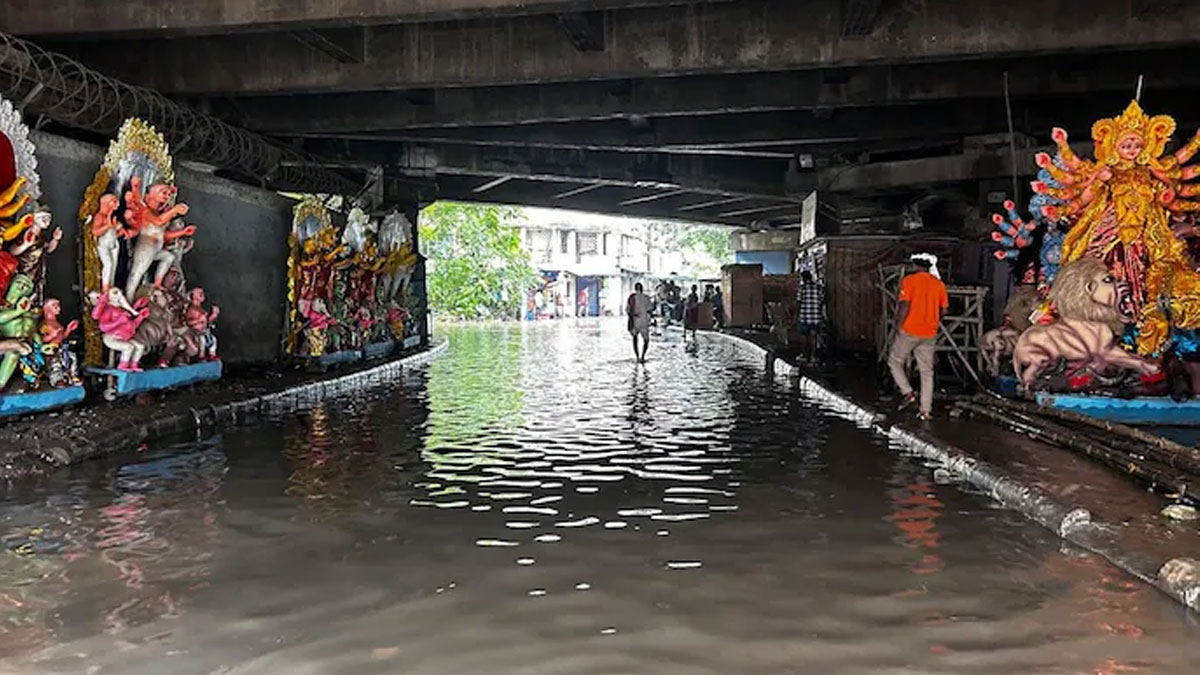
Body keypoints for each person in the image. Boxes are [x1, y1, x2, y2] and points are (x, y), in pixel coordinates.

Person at [887, 253, 948, 421]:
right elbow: (944, 310)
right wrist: (933, 321)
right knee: (927, 372)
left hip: (910, 330)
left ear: (915, 267)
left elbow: (904, 305)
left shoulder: (909, 281)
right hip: (930, 332)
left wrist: (897, 327)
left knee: (894, 361)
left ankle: (908, 393)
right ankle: (925, 411)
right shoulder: (939, 285)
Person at [795, 271, 824, 361]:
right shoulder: (819, 287)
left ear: (803, 278)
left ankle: (804, 355)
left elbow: (799, 302)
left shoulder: (802, 288)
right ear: (811, 277)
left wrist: (797, 314)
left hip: (804, 316)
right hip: (815, 316)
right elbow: (822, 300)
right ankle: (813, 356)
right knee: (814, 336)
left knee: (804, 336)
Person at [627, 282, 653, 363]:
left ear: (635, 289)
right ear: (642, 289)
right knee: (646, 340)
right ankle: (643, 356)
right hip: (644, 321)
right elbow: (650, 309)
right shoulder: (646, 298)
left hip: (635, 321)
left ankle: (637, 356)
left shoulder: (631, 298)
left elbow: (627, 310)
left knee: (635, 338)